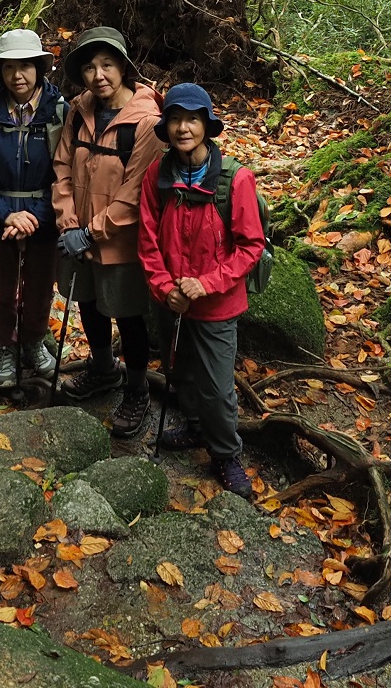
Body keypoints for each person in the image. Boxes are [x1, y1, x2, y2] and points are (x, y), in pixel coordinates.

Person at [137, 82, 263, 497]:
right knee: (178, 369)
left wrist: (205, 284)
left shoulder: (234, 179)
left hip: (217, 305)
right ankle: (193, 429)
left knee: (216, 386)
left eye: (192, 119)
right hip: (171, 299)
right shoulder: (158, 174)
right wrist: (163, 287)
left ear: (207, 126)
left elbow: (250, 246)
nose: (182, 127)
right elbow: (148, 238)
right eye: (175, 118)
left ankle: (226, 454)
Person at [51, 25, 165, 436]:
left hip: (121, 241)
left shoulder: (148, 123)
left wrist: (93, 231)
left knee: (129, 317)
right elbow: (62, 167)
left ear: (123, 67)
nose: (98, 75)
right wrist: (68, 224)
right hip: (76, 233)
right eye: (89, 68)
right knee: (88, 303)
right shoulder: (79, 111)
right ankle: (102, 369)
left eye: (107, 65)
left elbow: (136, 192)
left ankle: (137, 390)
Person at [0, 28, 66, 391]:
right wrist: (6, 214)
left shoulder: (58, 112)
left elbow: (66, 171)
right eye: (9, 67)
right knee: (3, 288)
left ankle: (34, 343)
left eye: (25, 66)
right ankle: (6, 346)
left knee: (39, 289)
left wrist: (36, 215)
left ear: (39, 67)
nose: (17, 75)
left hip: (45, 217)